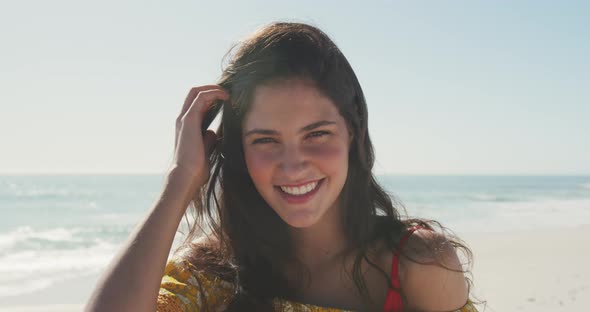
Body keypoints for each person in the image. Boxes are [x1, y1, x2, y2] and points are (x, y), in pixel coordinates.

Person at [86, 22, 480, 312]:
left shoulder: (415, 264)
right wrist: (179, 183)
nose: (292, 166)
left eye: (317, 134)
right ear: (238, 151)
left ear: (353, 134)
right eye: (266, 140)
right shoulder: (212, 272)